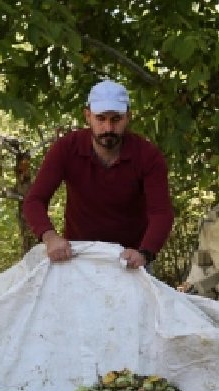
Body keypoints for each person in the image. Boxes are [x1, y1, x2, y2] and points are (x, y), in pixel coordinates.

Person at [22, 79, 174, 270]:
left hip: (130, 257)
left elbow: (161, 212)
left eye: (116, 119)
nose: (108, 128)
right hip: (78, 254)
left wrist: (145, 253)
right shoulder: (67, 148)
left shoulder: (147, 155)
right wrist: (50, 237)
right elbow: (34, 200)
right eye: (101, 119)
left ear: (128, 117)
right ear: (88, 116)